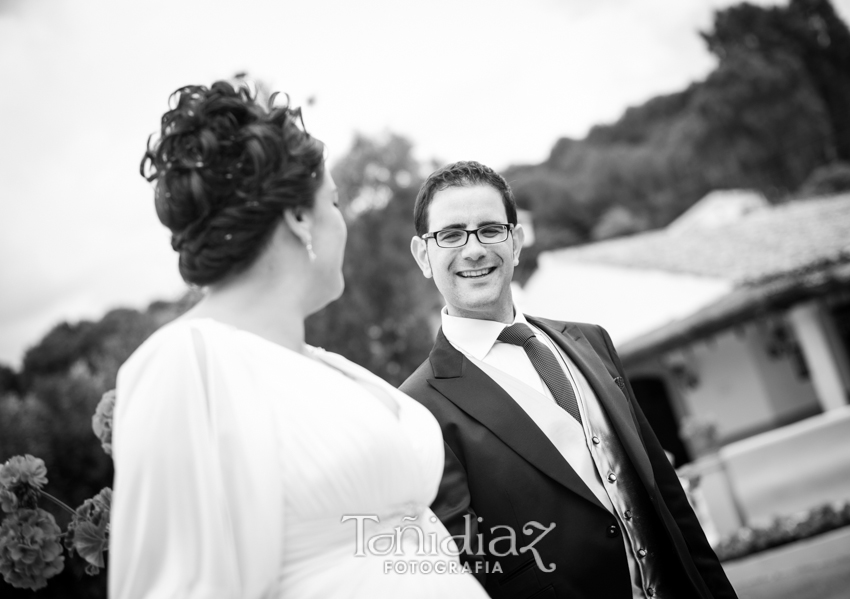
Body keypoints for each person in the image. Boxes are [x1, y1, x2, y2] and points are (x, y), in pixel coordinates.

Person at [108, 82, 488, 598]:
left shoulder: (323, 364)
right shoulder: (185, 362)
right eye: (333, 201)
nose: (343, 221)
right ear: (300, 217)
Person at [400, 161, 738, 599]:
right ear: (423, 255)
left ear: (517, 242)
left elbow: (668, 500)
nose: (474, 249)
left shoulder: (591, 341)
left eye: (490, 230)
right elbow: (466, 570)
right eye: (450, 235)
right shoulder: (416, 407)